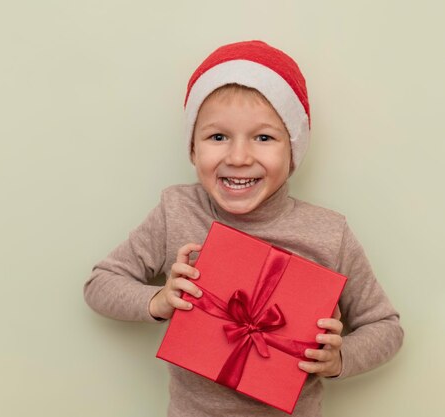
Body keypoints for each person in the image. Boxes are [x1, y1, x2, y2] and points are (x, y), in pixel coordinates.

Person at [83, 40, 403, 417]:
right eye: (218, 137)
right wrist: (160, 300)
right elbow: (99, 285)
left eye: (264, 137)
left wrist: (340, 357)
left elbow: (386, 327)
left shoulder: (329, 233)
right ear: (192, 149)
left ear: (293, 150)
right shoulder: (177, 211)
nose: (238, 157)